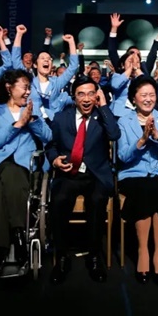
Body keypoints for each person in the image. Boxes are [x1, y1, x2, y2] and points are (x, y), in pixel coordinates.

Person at [46, 75, 120, 284]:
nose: (86, 99)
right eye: (81, 94)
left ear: (97, 95)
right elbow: (51, 146)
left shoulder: (103, 116)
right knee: (59, 200)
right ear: (74, 97)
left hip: (96, 174)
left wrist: (103, 106)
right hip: (69, 173)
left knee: (97, 200)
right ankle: (62, 257)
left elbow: (114, 135)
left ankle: (94, 256)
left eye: (91, 94)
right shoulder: (61, 118)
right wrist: (55, 160)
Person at [0, 70, 52, 276]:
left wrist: (33, 120)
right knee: (10, 172)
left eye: (29, 88)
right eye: (25, 87)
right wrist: (18, 124)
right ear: (9, 88)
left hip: (25, 164)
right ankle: (19, 232)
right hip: (0, 163)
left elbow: (48, 137)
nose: (28, 91)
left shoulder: (33, 109)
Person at [116, 75, 158, 286]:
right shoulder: (124, 121)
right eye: (143, 95)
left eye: (152, 95)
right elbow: (123, 156)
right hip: (134, 173)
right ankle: (143, 251)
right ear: (134, 98)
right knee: (144, 189)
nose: (148, 99)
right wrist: (142, 139)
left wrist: (157, 136)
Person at [12, 28, 78, 123]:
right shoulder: (30, 81)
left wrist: (71, 43)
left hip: (54, 122)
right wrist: (19, 34)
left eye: (49, 59)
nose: (46, 60)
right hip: (34, 122)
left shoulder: (57, 82)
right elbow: (15, 61)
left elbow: (73, 67)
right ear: (35, 64)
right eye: (42, 58)